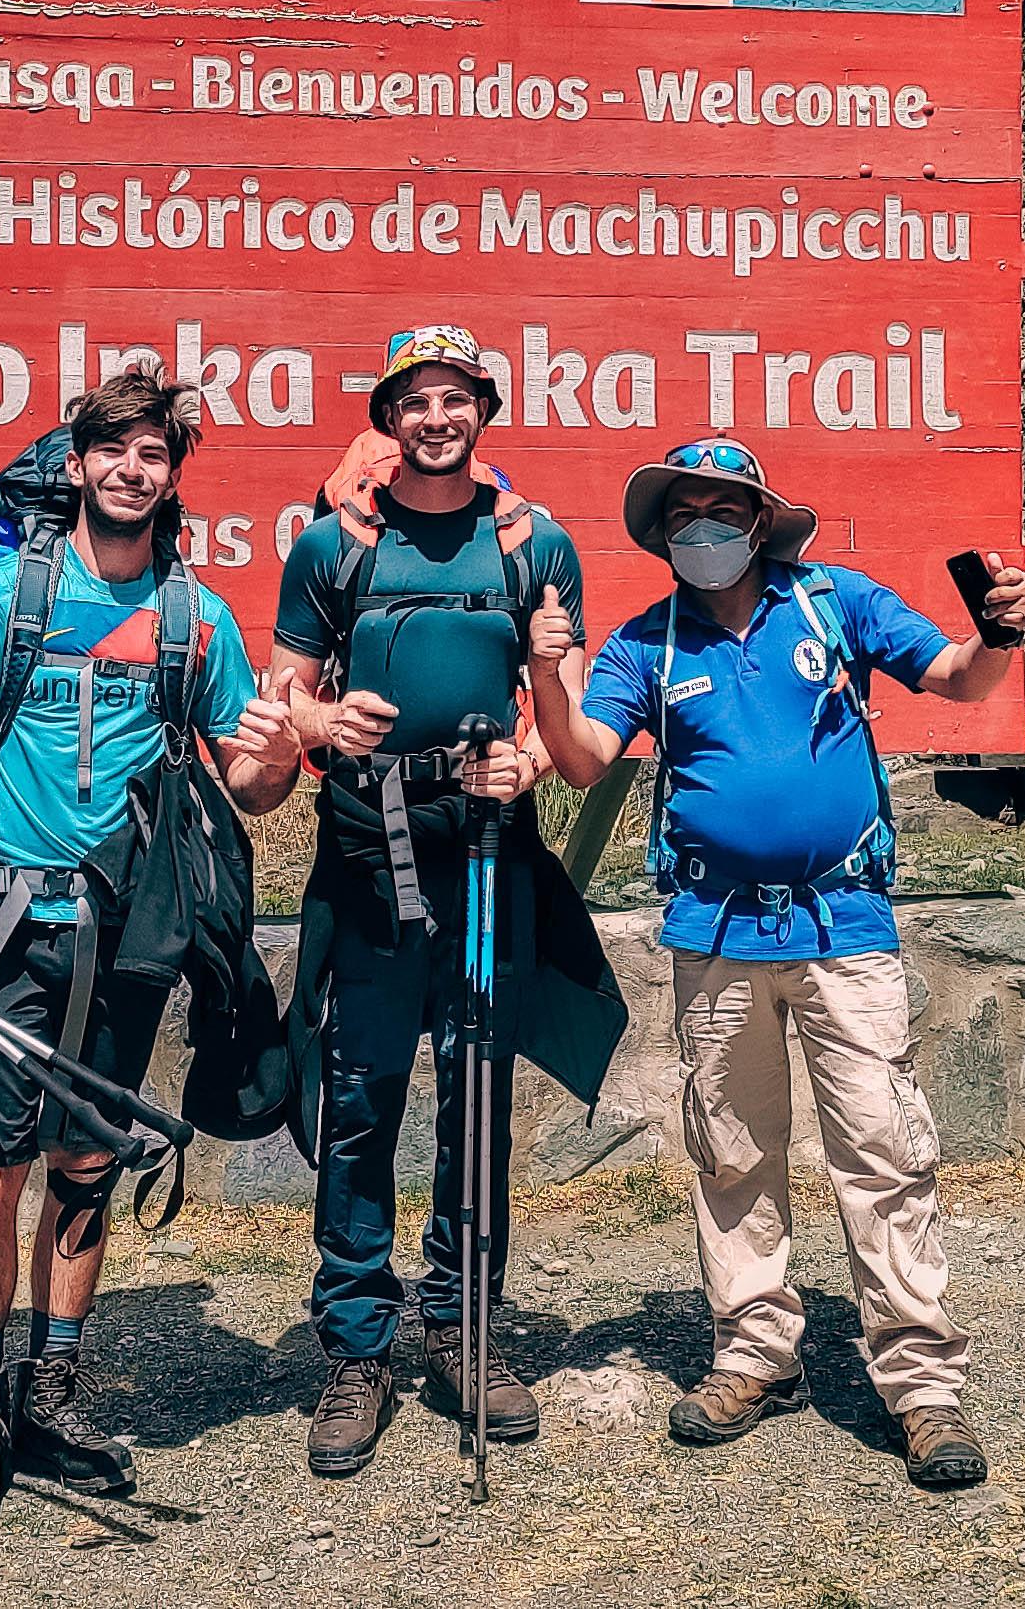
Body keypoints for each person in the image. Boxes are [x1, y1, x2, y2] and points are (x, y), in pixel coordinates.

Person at [525, 436, 1025, 1492]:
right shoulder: (643, 644)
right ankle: (753, 1353)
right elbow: (580, 759)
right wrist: (543, 669)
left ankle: (922, 1385)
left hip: (843, 924)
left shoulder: (833, 602)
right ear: (663, 537)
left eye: (720, 512)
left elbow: (950, 677)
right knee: (731, 1153)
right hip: (713, 933)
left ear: (761, 522)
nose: (699, 532)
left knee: (882, 1149)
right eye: (680, 518)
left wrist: (997, 635)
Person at [0, 368, 305, 1531]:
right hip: (8, 924)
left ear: (171, 474)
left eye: (152, 455)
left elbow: (251, 787)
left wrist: (277, 746)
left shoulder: (194, 616)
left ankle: (54, 1390)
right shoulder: (6, 598)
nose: (130, 470)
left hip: (127, 937)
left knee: (85, 1168)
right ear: (77, 465)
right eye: (111, 450)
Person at [267, 324, 629, 1479]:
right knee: (364, 1097)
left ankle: (466, 1325)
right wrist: (323, 727)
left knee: (474, 1097)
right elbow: (288, 696)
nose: (435, 418)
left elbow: (557, 711)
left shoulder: (535, 545)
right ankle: (358, 1348)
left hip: (485, 849)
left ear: (484, 411)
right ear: (388, 414)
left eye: (456, 399)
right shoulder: (333, 548)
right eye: (414, 400)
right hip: (369, 850)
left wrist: (520, 755)